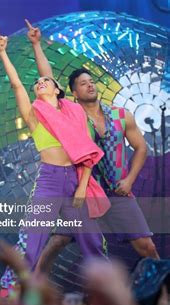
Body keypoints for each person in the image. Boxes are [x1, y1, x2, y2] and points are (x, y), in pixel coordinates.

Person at [21, 20, 158, 274]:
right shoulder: (71, 115)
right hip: (79, 192)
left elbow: (141, 148)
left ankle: (162, 292)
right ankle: (33, 293)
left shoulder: (121, 115)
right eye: (83, 83)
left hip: (116, 191)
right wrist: (37, 45)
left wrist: (129, 180)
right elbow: (47, 78)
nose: (90, 85)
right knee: (56, 242)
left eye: (91, 81)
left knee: (146, 246)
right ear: (71, 93)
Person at [0, 26, 110, 292]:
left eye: (45, 82)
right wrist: (3, 52)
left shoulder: (74, 113)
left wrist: (81, 187)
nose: (39, 83)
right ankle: (8, 294)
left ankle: (107, 294)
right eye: (36, 84)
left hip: (77, 180)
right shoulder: (35, 115)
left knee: (92, 241)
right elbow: (16, 85)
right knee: (31, 242)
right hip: (49, 181)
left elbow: (87, 152)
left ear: (58, 90)